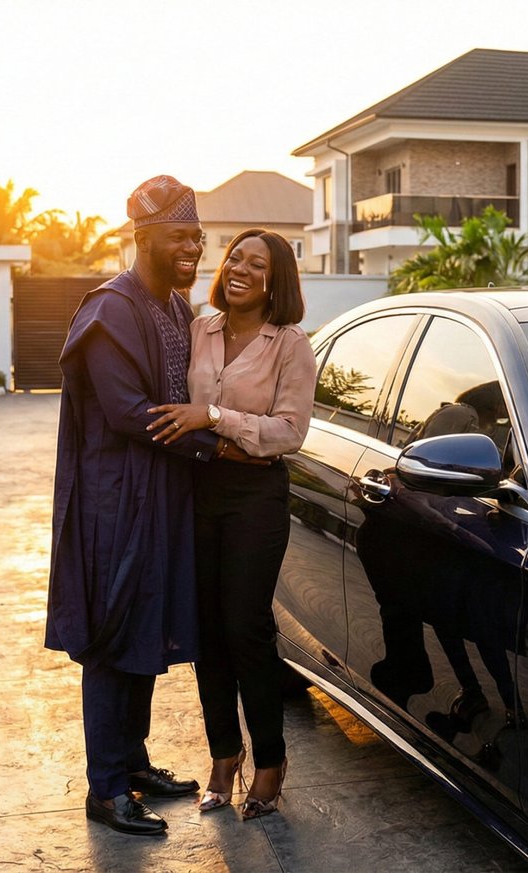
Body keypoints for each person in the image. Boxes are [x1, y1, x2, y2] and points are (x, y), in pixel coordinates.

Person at [46, 175, 227, 837]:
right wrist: (217, 442)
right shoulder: (108, 311)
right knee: (112, 635)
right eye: (179, 236)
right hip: (115, 503)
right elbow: (128, 413)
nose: (193, 247)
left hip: (163, 497)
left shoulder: (177, 308)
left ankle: (135, 761)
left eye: (197, 236)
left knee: (147, 628)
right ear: (143, 239)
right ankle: (105, 786)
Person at [146, 228, 315, 820]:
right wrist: (221, 433)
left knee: (245, 628)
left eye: (257, 264)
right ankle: (224, 756)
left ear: (278, 280)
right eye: (236, 257)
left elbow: (290, 432)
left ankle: (270, 760)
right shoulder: (201, 328)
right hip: (198, 492)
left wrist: (214, 417)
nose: (240, 268)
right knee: (207, 631)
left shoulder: (291, 344)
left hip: (254, 499)